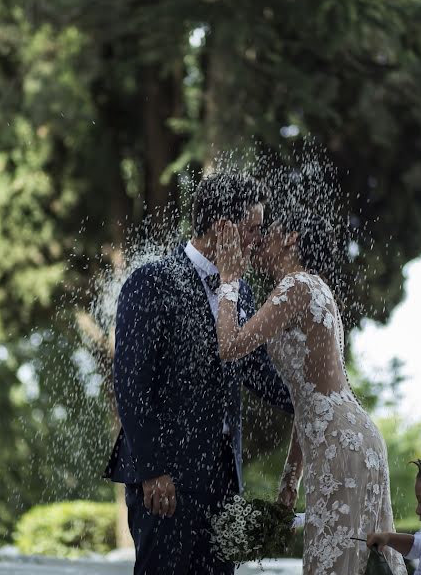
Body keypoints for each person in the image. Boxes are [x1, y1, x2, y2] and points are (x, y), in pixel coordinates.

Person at [103, 173, 294, 575]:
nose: (258, 241)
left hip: (224, 480)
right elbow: (131, 383)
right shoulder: (151, 281)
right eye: (253, 230)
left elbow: (257, 372)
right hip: (166, 479)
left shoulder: (240, 293)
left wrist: (321, 400)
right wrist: (154, 469)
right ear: (223, 228)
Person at [215, 214, 407, 574]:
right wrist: (290, 479)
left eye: (266, 234)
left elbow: (230, 346)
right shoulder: (316, 288)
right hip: (348, 437)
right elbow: (310, 401)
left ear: (291, 238)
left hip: (339, 444)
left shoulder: (296, 287)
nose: (256, 243)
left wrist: (229, 279)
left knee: (335, 563)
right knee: (359, 563)